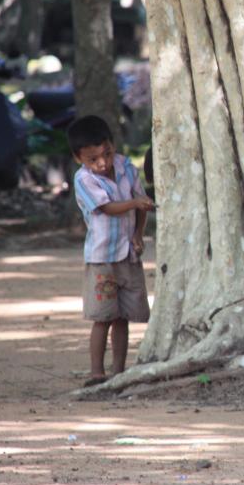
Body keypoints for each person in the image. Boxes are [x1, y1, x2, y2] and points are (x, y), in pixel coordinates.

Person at [68, 115, 155, 387]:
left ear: (113, 144)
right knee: (102, 317)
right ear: (78, 159)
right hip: (102, 259)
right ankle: (96, 373)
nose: (102, 163)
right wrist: (134, 203)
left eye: (107, 153)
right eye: (93, 159)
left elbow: (141, 206)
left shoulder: (127, 167)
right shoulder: (84, 180)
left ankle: (119, 372)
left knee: (123, 318)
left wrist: (139, 234)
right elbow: (107, 208)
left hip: (128, 255)